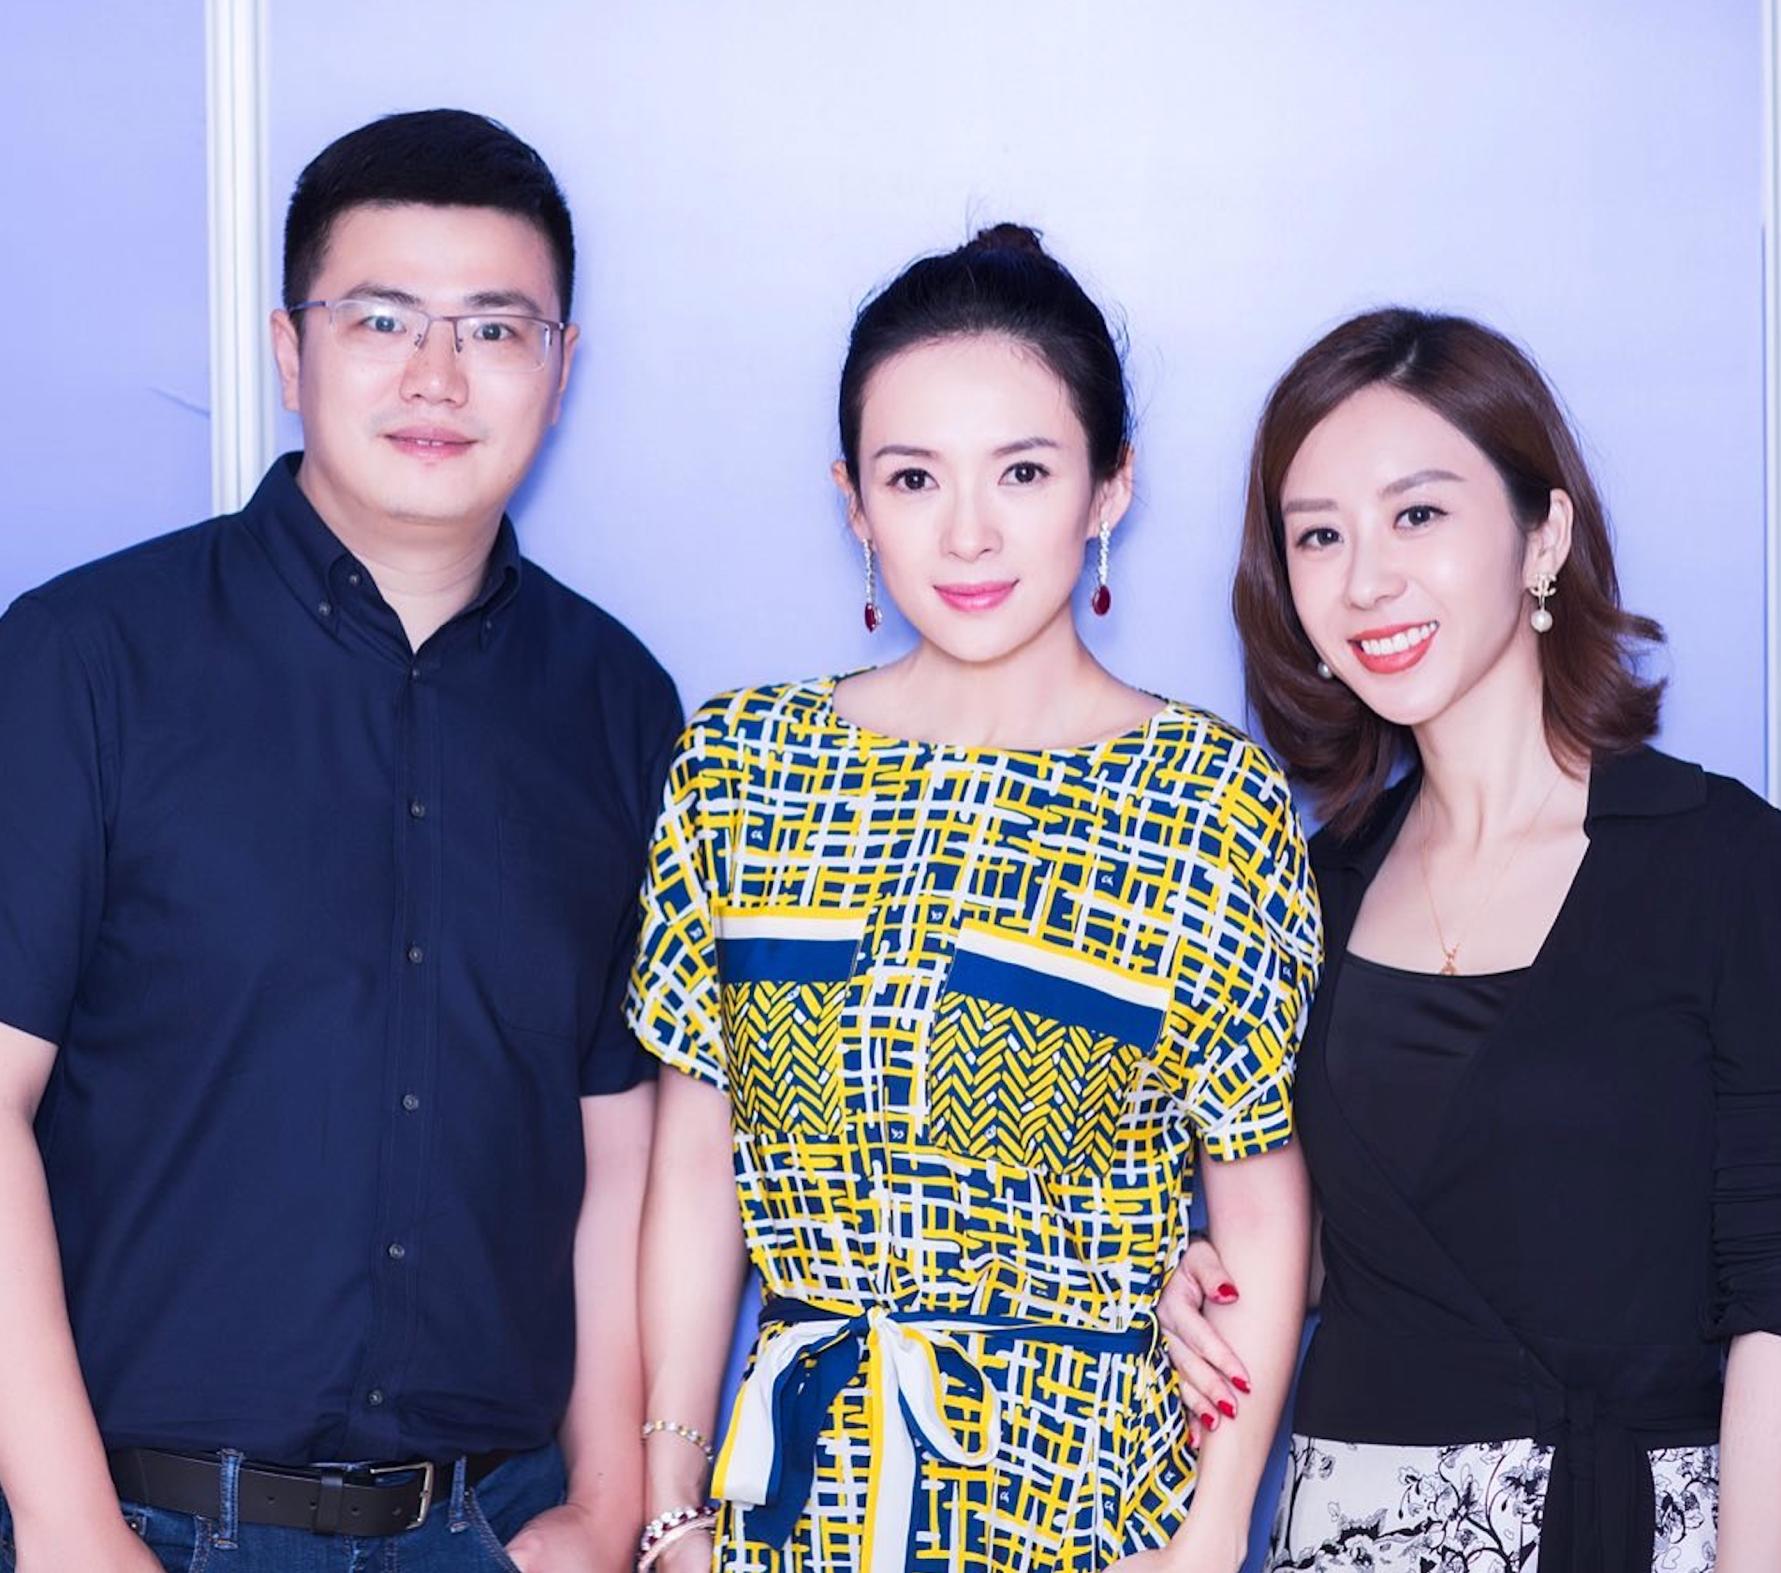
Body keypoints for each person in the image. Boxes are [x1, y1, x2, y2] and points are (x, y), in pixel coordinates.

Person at [0, 109, 679, 1572]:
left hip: (490, 1527)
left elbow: (616, 1147)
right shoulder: (84, 659)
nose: (437, 375)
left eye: (493, 328)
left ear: (561, 366)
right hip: (148, 1525)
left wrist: (605, 1503)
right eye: (380, 319)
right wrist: (67, 1527)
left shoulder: (618, 704)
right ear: (287, 347)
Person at [626, 224, 1321, 1573]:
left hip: (1087, 1507)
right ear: (852, 501)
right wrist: (670, 1511)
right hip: (792, 1508)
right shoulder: (742, 765)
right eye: (911, 477)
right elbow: (696, 1167)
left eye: (1022, 470)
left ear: (1110, 485)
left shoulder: (1206, 800)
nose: (966, 533)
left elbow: (1255, 1193)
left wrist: (1208, 1536)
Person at [1156, 309, 1781, 1571]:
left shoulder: (1718, 859)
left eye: (1416, 514)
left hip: (1634, 1526)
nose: (1364, 580)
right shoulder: (1306, 888)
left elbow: (1770, 1297)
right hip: (1346, 1524)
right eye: (1317, 535)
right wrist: (1202, 1279)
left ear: (1541, 536)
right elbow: (1336, 1244)